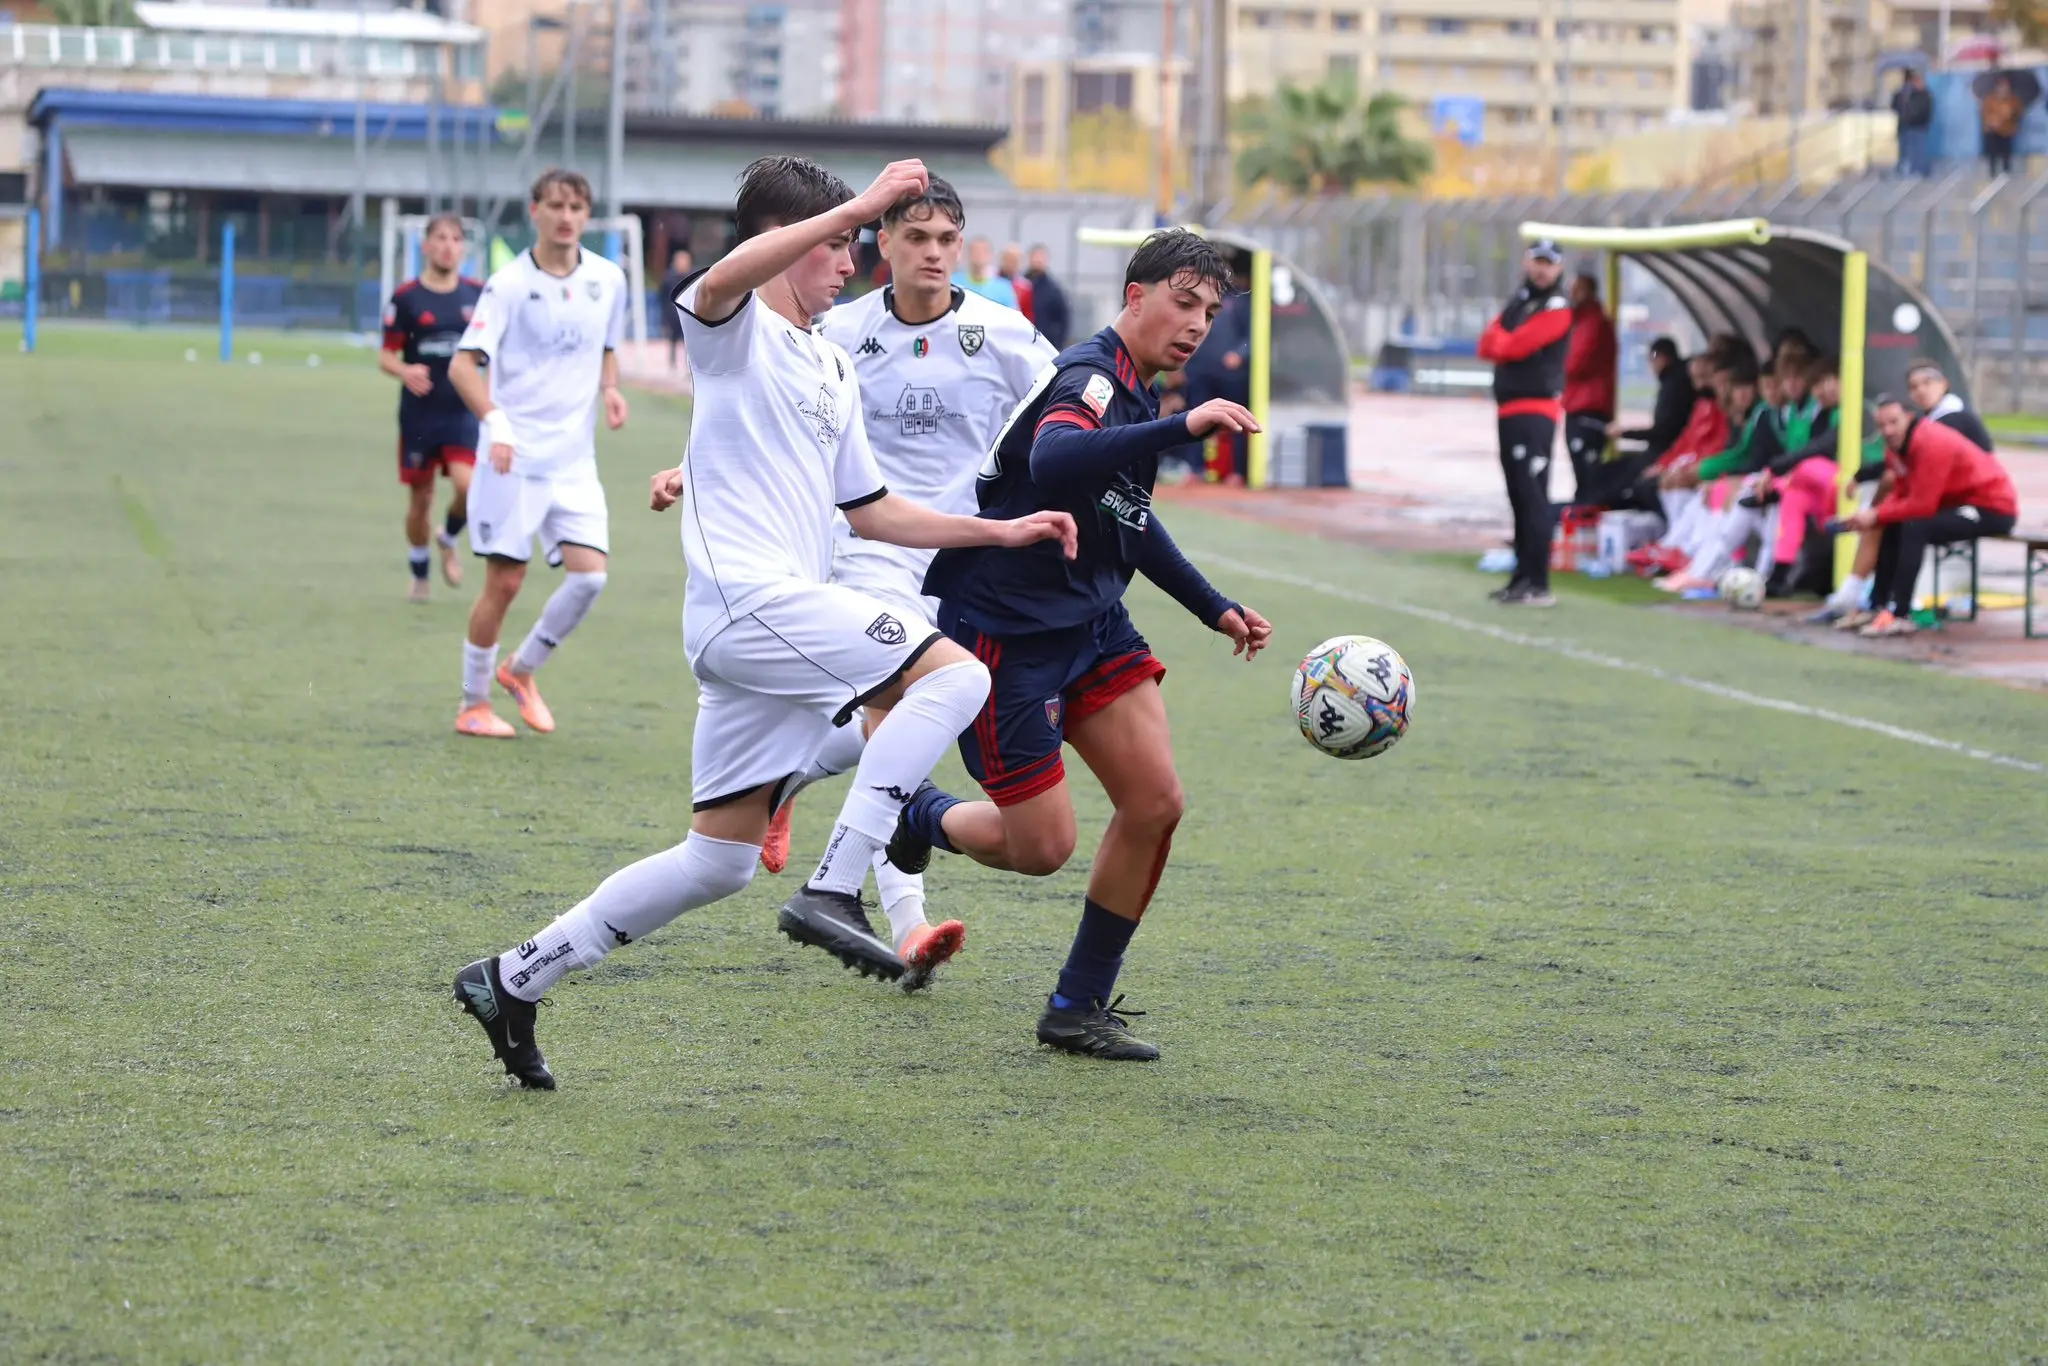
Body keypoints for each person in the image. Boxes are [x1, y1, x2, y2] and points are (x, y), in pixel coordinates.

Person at [450, 156, 1078, 1089]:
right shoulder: (733, 325)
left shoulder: (828, 358)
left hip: (771, 625)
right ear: (789, 244)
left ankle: (512, 978)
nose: (851, 265)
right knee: (956, 676)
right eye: (840, 246)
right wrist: (861, 203)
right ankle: (835, 886)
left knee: (717, 862)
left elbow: (871, 509)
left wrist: (1001, 528)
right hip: (751, 605)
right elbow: (720, 278)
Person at [881, 229, 1270, 1063]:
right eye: (1183, 301)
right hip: (1004, 637)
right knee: (1041, 850)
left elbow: (1127, 517)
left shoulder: (1139, 387)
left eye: (1209, 310)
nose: (1198, 323)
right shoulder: (1092, 377)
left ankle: (1076, 1005)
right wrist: (1180, 429)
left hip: (1091, 624)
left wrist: (1214, 607)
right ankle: (919, 815)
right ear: (1136, 296)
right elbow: (1058, 456)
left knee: (1157, 802)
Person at [769, 175, 1057, 989]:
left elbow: (1065, 419)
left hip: (965, 558)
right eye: (916, 238)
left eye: (946, 240)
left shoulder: (1003, 335)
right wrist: (691, 469)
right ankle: (904, 923)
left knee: (896, 732)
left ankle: (786, 775)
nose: (933, 253)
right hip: (866, 551)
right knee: (896, 711)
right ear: (882, 244)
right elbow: (783, 415)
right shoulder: (841, 330)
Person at [446, 168, 632, 739]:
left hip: (573, 462)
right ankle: (473, 703)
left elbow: (606, 347)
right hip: (512, 458)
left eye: (576, 206)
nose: (566, 216)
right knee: (505, 583)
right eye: (555, 205)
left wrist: (610, 389)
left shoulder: (609, 280)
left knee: (590, 578)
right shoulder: (506, 285)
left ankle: (520, 671)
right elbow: (462, 366)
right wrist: (497, 424)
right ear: (535, 211)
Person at [1830, 395, 2019, 637]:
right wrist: (1872, 515)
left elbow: (1922, 506)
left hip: (1991, 508)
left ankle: (1901, 614)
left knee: (1913, 525)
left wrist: (1876, 514)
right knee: (1893, 523)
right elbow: (1901, 494)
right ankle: (1877, 606)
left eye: (1893, 422)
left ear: (1908, 418)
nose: (1887, 430)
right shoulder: (1896, 448)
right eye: (1882, 425)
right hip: (1958, 505)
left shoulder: (1931, 443)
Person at [379, 213, 481, 603]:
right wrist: (405, 370)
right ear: (425, 246)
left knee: (469, 488)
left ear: (463, 248)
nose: (448, 245)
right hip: (420, 414)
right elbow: (385, 356)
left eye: (456, 239)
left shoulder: (478, 295)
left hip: (462, 411)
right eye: (440, 238)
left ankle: (449, 536)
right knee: (420, 500)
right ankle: (419, 570)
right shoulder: (406, 298)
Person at [1477, 239, 1573, 606]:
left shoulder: (1557, 306)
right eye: (1537, 261)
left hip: (1536, 412)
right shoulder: (1520, 301)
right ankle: (1521, 577)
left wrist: (1505, 340)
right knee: (1518, 495)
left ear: (1559, 268)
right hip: (1509, 411)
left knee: (1533, 496)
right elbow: (1487, 344)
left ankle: (1539, 581)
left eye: (1549, 263)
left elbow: (1512, 347)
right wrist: (1505, 340)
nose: (1542, 269)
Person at [1591, 336, 1694, 510]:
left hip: (1666, 452)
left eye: (1652, 358)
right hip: (1667, 451)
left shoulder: (1674, 387)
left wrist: (1624, 433)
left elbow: (1664, 432)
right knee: (1614, 471)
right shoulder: (1674, 383)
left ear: (1662, 357)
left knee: (1617, 480)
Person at [1562, 272, 1617, 500]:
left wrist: (1549, 368)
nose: (1572, 294)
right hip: (1581, 403)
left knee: (1587, 471)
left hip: (1588, 406)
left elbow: (1575, 363)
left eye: (1578, 289)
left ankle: (1586, 514)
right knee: (1583, 470)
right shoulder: (1583, 320)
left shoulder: (1591, 323)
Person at [1906, 358, 1995, 451]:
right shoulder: (1923, 421)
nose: (1921, 390)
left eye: (1927, 382)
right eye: (1913, 387)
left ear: (1944, 384)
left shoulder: (1957, 419)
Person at [1026, 243, 1072, 348]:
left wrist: (1058, 342)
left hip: (1044, 343)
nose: (1038, 260)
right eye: (1035, 256)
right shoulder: (1021, 284)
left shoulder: (1053, 289)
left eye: (1041, 257)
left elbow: (1064, 317)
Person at [955, 236, 1019, 310]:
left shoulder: (1004, 287)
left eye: (984, 251)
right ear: (967, 254)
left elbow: (1013, 317)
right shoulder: (953, 283)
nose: (979, 255)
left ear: (990, 255)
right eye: (975, 251)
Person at [1893, 68, 1935, 178]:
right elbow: (1895, 106)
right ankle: (1906, 171)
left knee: (1919, 151)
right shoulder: (1903, 94)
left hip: (1919, 127)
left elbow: (1924, 110)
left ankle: (1921, 172)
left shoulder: (1924, 94)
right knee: (1905, 151)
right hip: (1905, 127)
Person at [1979, 75, 2024, 178]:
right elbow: (1984, 114)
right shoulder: (1990, 99)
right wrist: (1992, 121)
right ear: (1997, 87)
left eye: (2006, 86)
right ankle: (1992, 175)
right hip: (1993, 132)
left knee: (2006, 155)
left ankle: (2006, 175)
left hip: (2007, 131)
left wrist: (2011, 113)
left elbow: (2019, 113)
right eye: (2002, 86)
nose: (2004, 89)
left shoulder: (2013, 100)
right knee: (1992, 155)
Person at [659, 244, 693, 370]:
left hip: (688, 314)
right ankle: (672, 364)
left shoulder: (692, 277)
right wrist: (665, 317)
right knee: (672, 339)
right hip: (672, 315)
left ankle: (688, 365)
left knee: (688, 342)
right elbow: (662, 296)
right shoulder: (668, 278)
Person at [999, 242, 1035, 323]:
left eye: (1015, 259)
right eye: (1008, 258)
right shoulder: (991, 280)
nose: (1011, 262)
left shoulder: (1025, 287)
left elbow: (1028, 315)